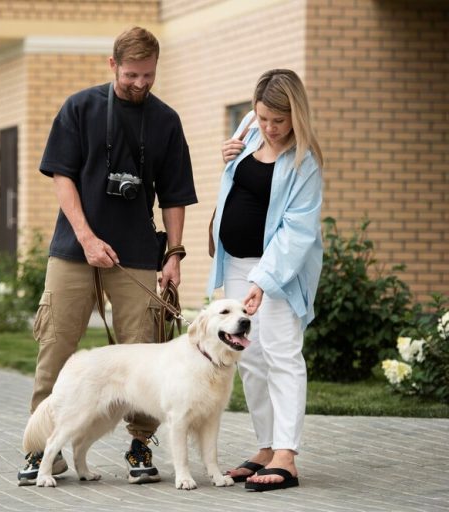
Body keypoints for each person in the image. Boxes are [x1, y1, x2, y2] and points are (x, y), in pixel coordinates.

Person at [17, 26, 198, 486]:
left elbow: (175, 196)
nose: (140, 83)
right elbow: (62, 176)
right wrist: (86, 237)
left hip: (138, 254)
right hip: (74, 250)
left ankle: (140, 444)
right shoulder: (79, 108)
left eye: (149, 75)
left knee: (144, 355)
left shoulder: (166, 121)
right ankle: (42, 451)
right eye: (132, 74)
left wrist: (173, 254)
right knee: (55, 346)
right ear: (112, 65)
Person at [207, 69, 324, 492]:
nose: (269, 128)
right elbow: (238, 183)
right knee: (250, 358)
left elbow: (297, 232)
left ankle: (287, 455)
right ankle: (266, 446)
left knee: (281, 355)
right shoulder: (251, 129)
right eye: (262, 118)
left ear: (296, 114)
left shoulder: (304, 162)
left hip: (276, 271)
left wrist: (264, 280)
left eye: (278, 121)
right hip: (237, 263)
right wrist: (229, 155)